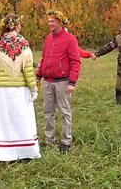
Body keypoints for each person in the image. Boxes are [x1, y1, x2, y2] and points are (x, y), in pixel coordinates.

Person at [0, 14, 41, 162]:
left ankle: (5, 153)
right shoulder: (23, 43)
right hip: (19, 89)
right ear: (16, 26)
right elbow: (28, 69)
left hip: (2, 90)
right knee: (22, 119)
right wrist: (33, 88)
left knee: (4, 120)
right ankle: (25, 151)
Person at [35, 10, 81, 154]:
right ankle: (49, 141)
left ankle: (66, 142)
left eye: (52, 21)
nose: (49, 24)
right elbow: (44, 58)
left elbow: (75, 62)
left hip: (63, 82)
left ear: (60, 22)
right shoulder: (48, 38)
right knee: (48, 112)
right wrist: (39, 75)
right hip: (48, 82)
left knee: (64, 112)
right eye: (48, 21)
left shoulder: (70, 39)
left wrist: (72, 83)